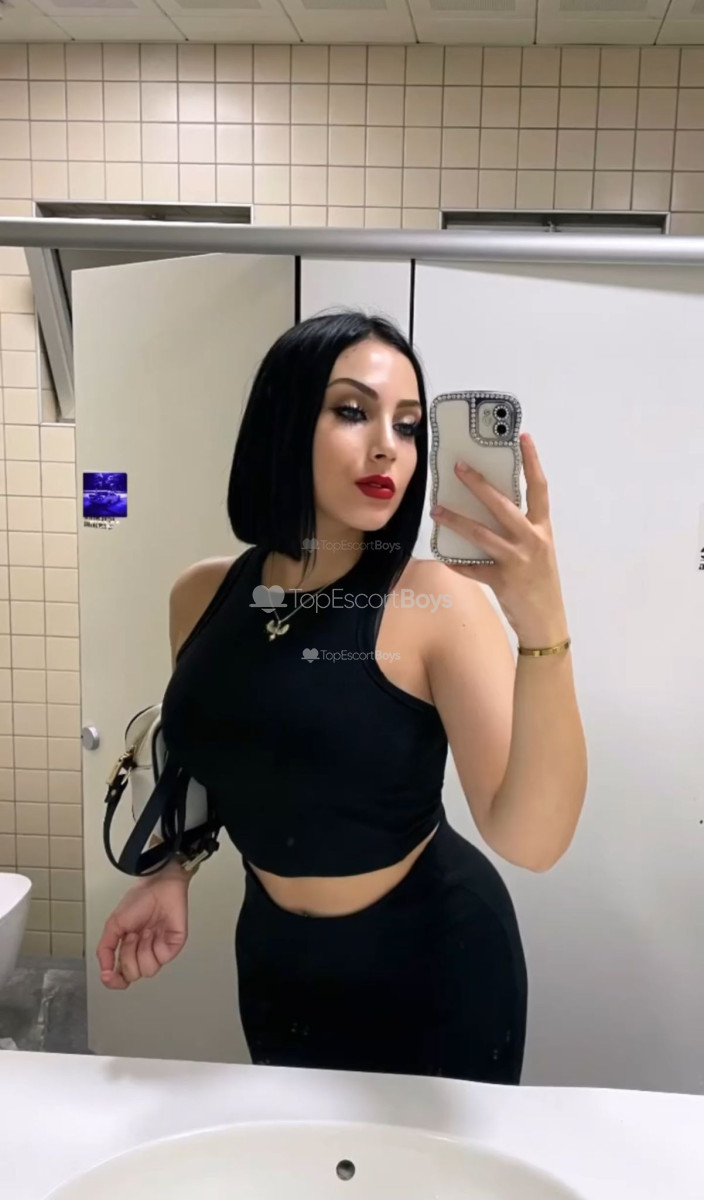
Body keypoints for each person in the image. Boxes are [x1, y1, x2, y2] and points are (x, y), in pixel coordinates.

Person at [97, 309, 586, 1084]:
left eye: (409, 425)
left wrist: (543, 625)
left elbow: (533, 841)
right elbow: (222, 755)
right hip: (275, 960)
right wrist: (173, 870)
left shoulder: (435, 602)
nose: (389, 445)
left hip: (437, 965)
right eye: (353, 411)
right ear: (284, 421)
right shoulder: (201, 595)